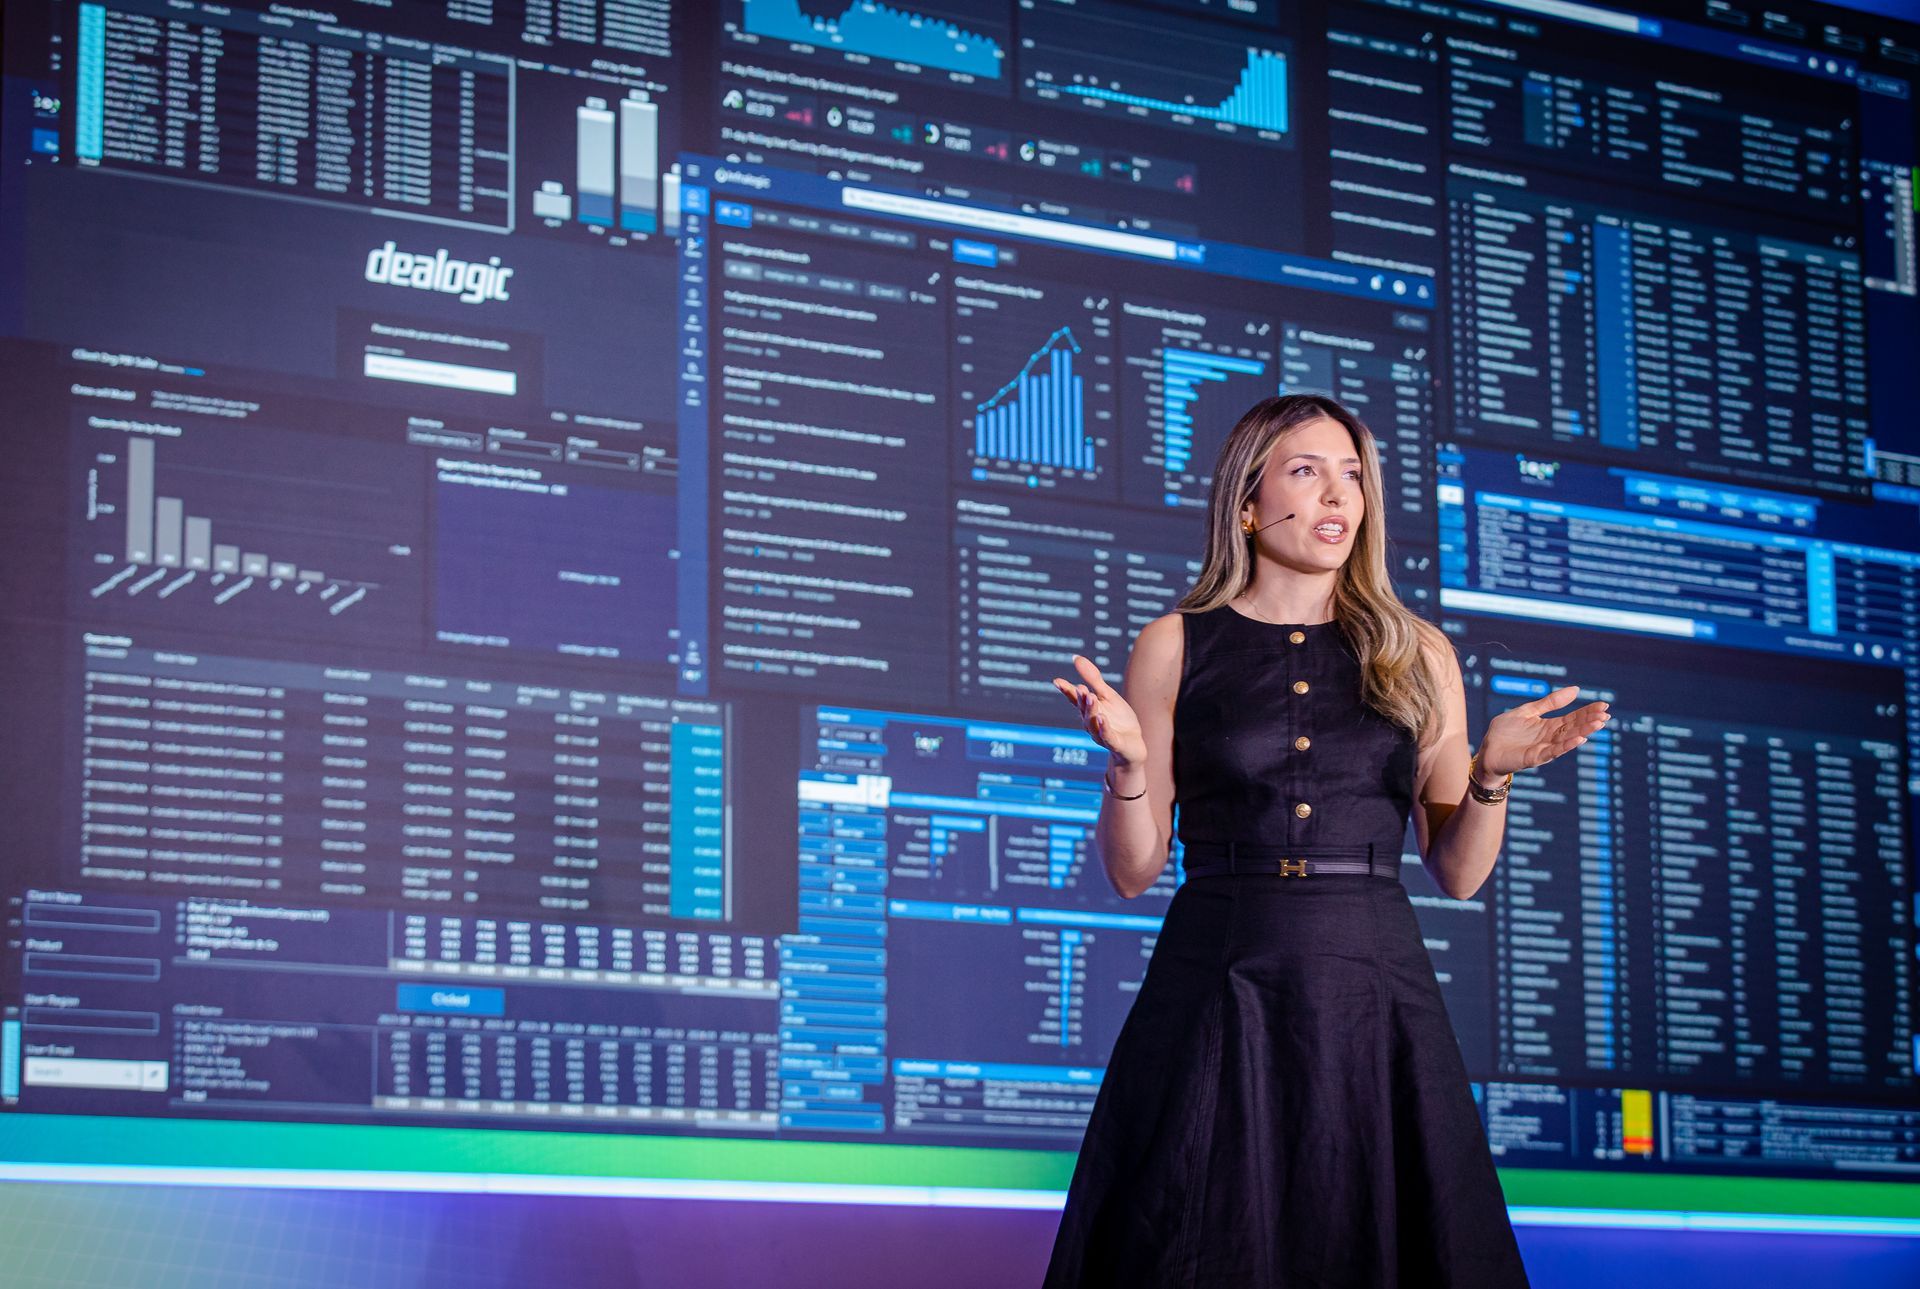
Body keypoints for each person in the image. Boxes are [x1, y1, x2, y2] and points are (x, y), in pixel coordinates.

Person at [1042, 394, 1608, 1287]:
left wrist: (1492, 774)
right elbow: (1132, 866)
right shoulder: (1174, 643)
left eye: (1352, 475)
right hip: (1216, 984)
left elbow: (1457, 873)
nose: (1337, 495)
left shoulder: (1419, 653)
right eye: (1306, 471)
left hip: (1371, 991)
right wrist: (1129, 765)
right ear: (1245, 502)